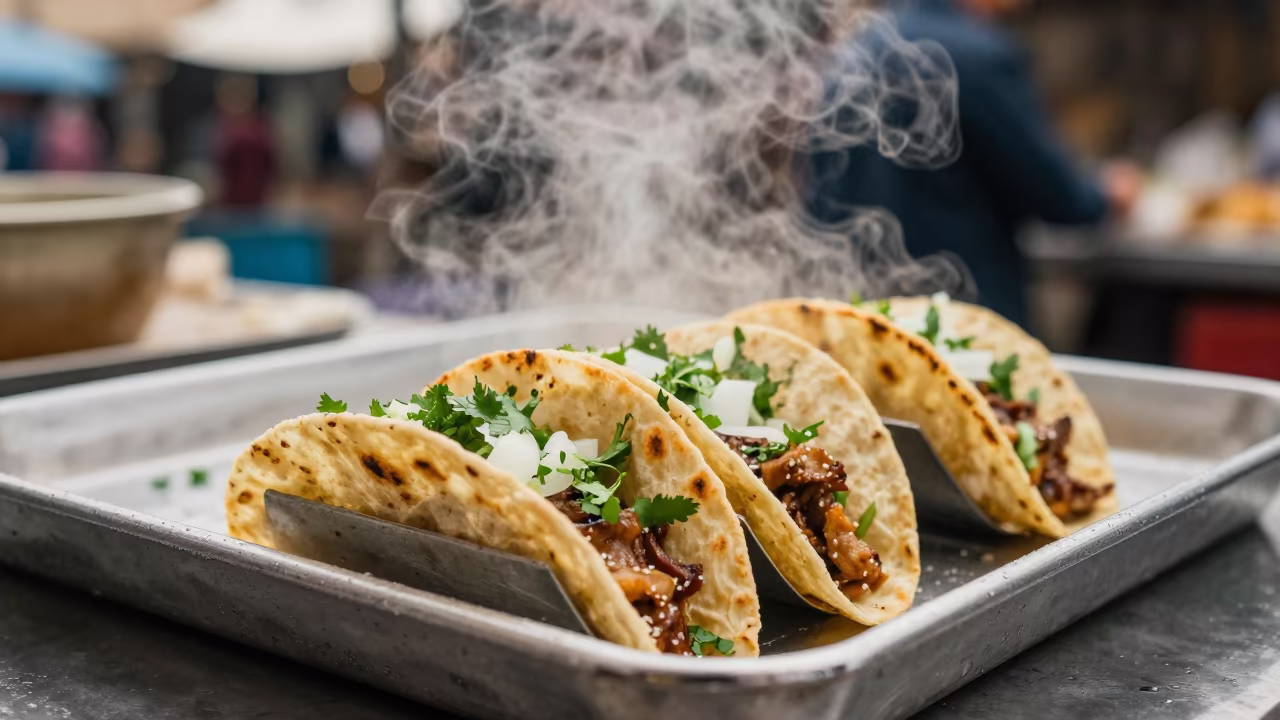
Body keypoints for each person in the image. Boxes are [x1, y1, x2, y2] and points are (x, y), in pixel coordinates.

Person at [806, 0, 1140, 329]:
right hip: (961, 321)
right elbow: (1059, 198)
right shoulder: (979, 57)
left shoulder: (854, 47)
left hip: (856, 313)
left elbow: (817, 193)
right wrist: (1106, 192)